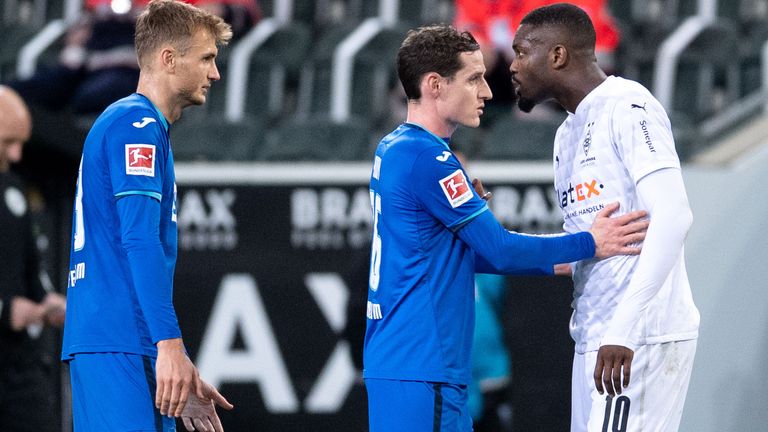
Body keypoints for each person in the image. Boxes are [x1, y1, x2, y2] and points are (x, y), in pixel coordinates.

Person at [364, 24, 650, 431]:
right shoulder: (429, 159)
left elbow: (441, 253)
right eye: (473, 79)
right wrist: (589, 242)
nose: (486, 92)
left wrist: (553, 263)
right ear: (434, 85)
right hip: (424, 364)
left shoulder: (393, 148)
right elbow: (497, 247)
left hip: (401, 363)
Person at [509, 4, 699, 431]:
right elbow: (587, 247)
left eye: (522, 52)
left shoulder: (628, 105)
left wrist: (624, 329)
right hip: (595, 340)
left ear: (557, 56)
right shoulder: (566, 133)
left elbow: (673, 216)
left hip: (638, 337)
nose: (512, 64)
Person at [61, 1, 234, 431]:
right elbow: (138, 240)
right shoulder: (135, 124)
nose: (215, 74)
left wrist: (172, 356)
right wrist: (169, 345)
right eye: (207, 58)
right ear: (169, 59)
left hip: (124, 338)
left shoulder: (138, 125)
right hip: (117, 339)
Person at [0, 85, 67, 432]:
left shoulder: (13, 190)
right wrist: (4, 309)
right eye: (8, 142)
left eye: (20, 143)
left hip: (18, 366)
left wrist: (48, 299)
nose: (15, 155)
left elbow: (32, 267)